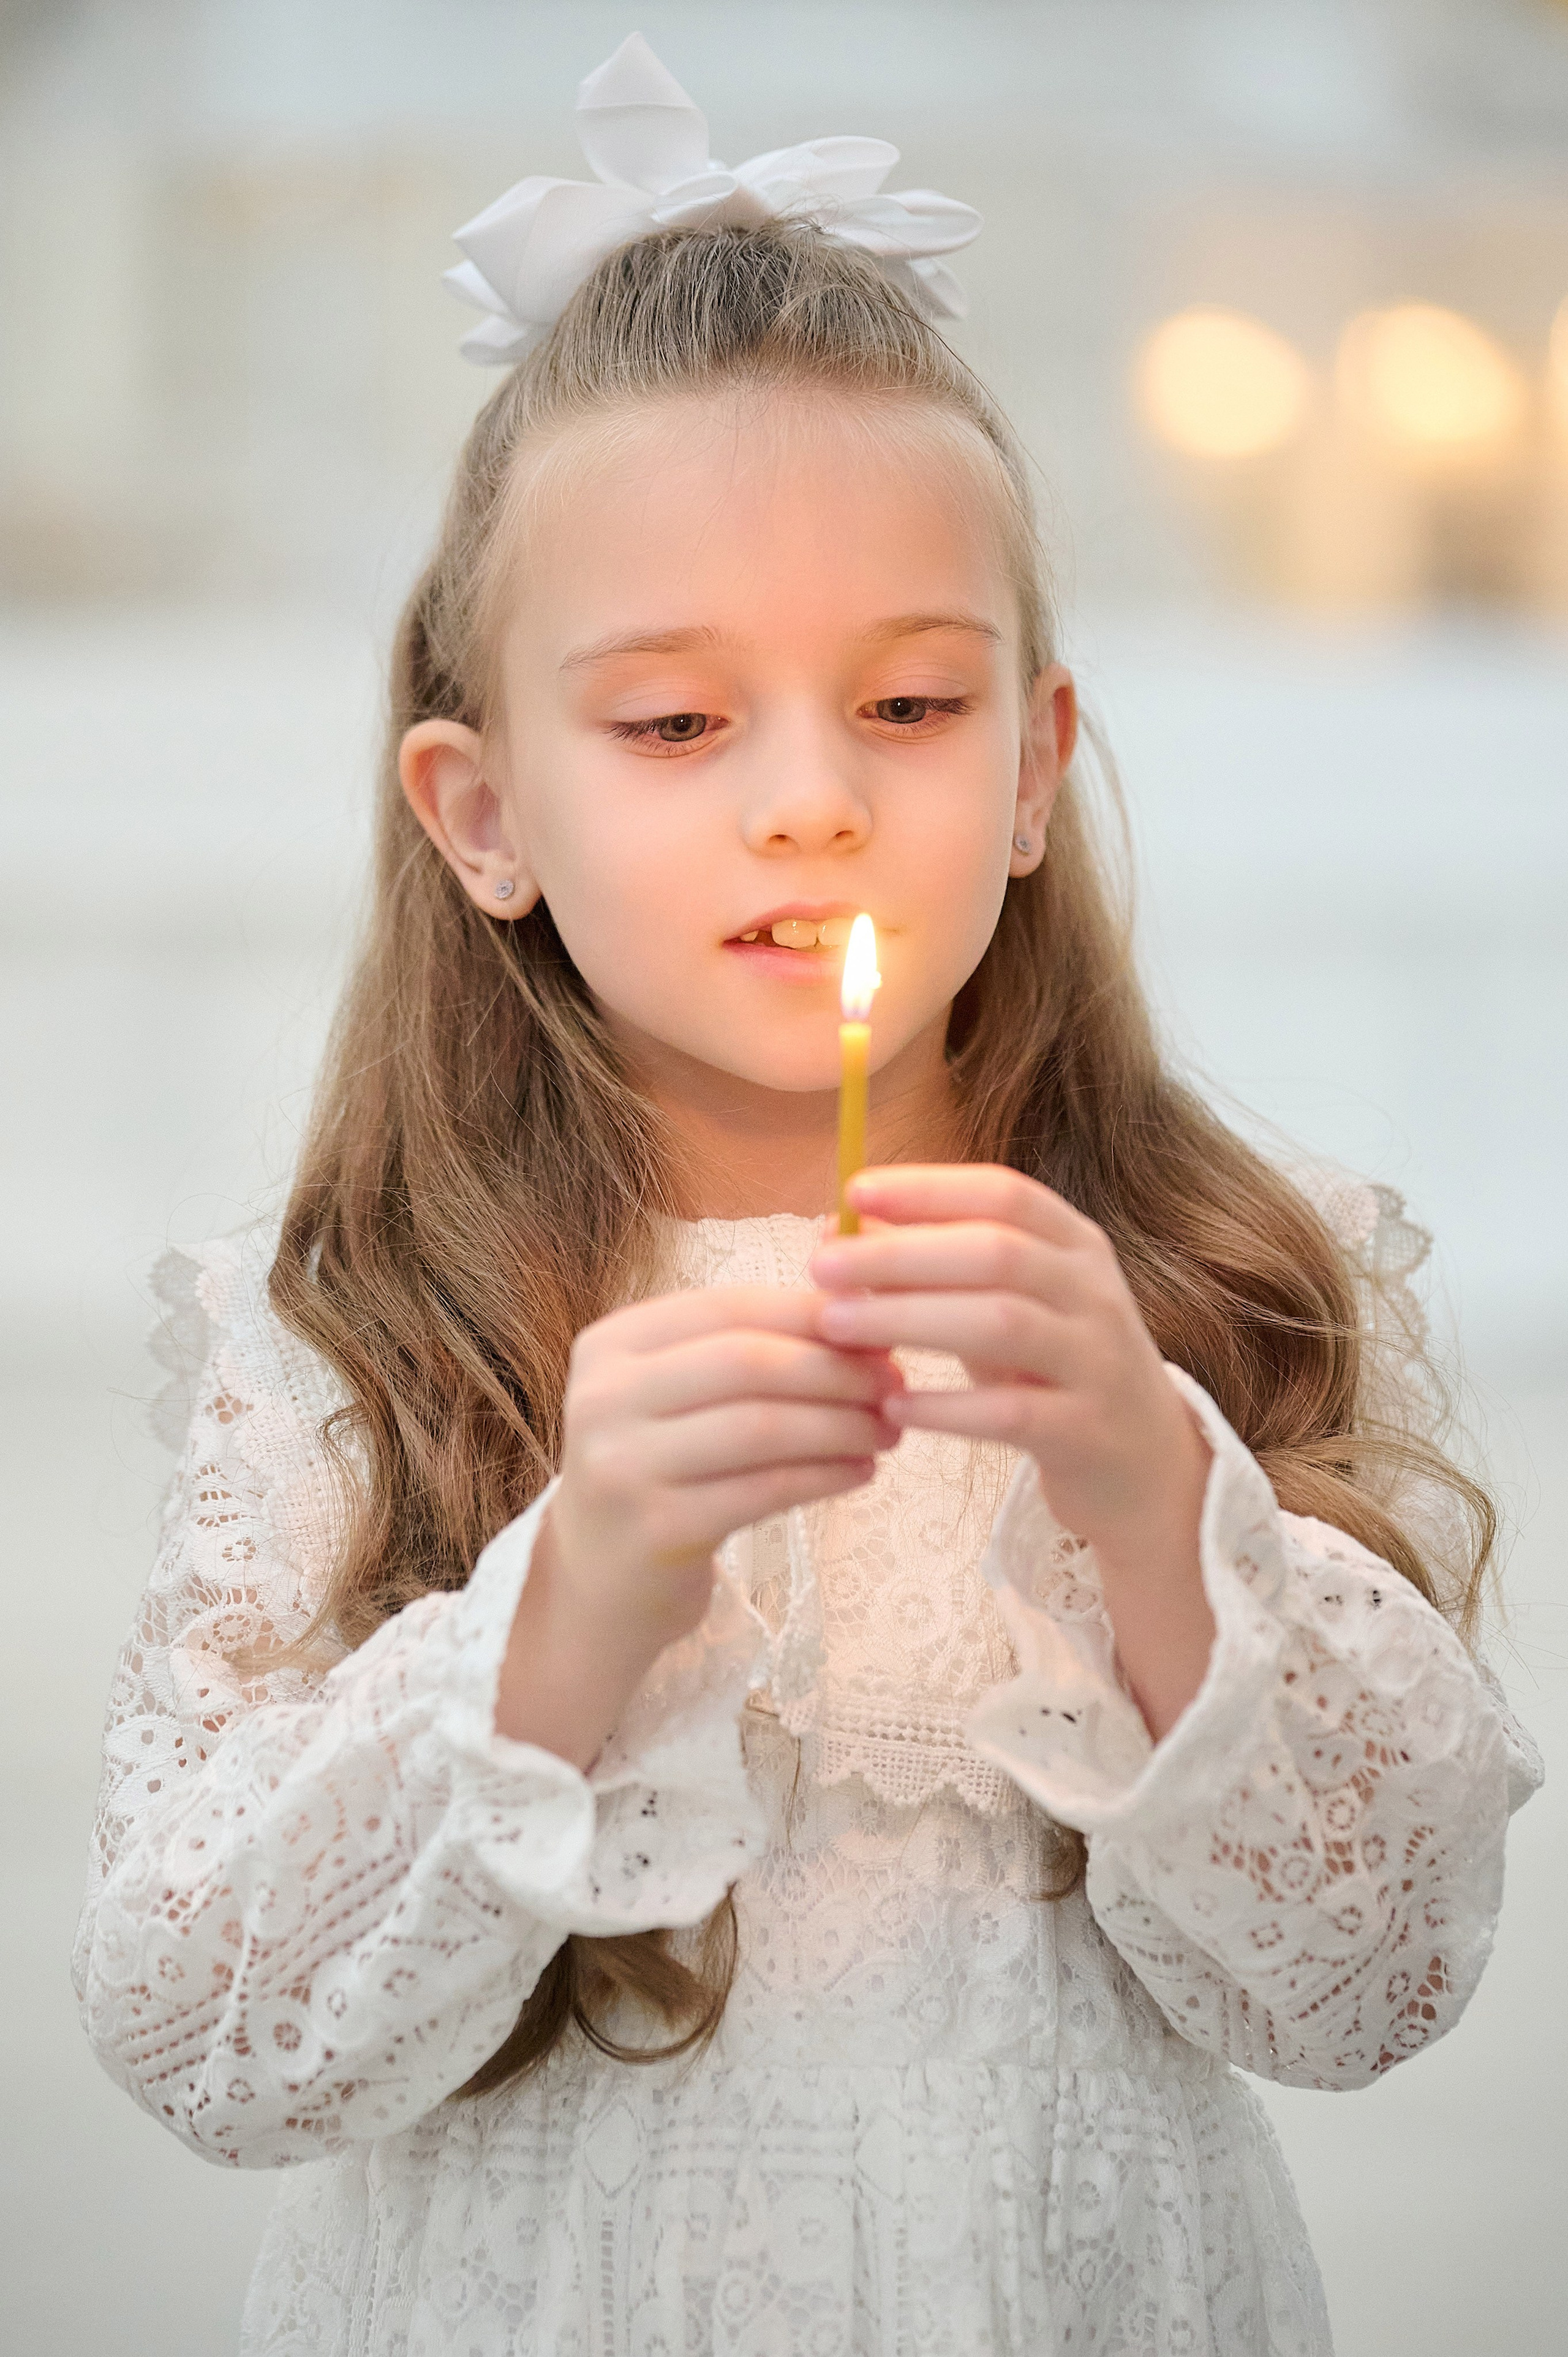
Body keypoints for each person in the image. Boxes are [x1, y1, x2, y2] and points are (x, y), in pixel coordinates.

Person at [74, 37, 1541, 2357]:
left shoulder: (1236, 1284)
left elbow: (1369, 1989)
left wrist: (1158, 1502)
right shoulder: (356, 1326)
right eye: (674, 722)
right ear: (484, 813)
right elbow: (201, 2038)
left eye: (910, 710)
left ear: (1039, 768)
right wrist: (574, 1603)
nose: (807, 808)